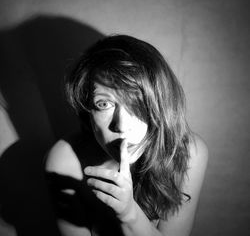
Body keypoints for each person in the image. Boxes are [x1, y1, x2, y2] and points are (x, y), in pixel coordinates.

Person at [45, 34, 208, 236]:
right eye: (103, 104)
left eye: (135, 102)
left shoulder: (188, 153)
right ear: (88, 112)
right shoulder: (65, 161)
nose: (122, 126)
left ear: (161, 104)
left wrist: (130, 214)